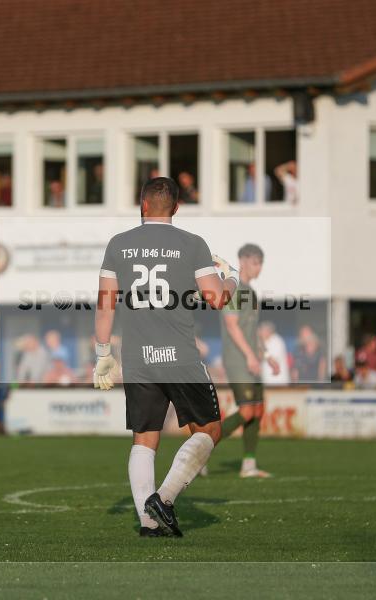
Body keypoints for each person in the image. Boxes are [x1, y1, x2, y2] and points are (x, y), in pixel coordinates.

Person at [92, 176, 238, 537]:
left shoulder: (118, 244)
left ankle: (148, 522)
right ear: (176, 208)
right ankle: (165, 498)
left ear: (143, 205)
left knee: (144, 437)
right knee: (210, 429)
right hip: (180, 356)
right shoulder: (192, 244)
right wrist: (231, 276)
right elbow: (216, 298)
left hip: (139, 358)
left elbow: (105, 303)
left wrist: (103, 353)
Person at [219, 243, 280, 478]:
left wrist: (266, 355)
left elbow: (252, 332)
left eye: (261, 263)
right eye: (256, 262)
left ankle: (249, 465)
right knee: (246, 411)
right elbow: (232, 326)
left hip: (251, 359)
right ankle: (200, 451)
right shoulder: (233, 289)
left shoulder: (251, 293)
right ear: (243, 261)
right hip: (237, 359)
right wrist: (249, 356)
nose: (259, 268)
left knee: (258, 409)